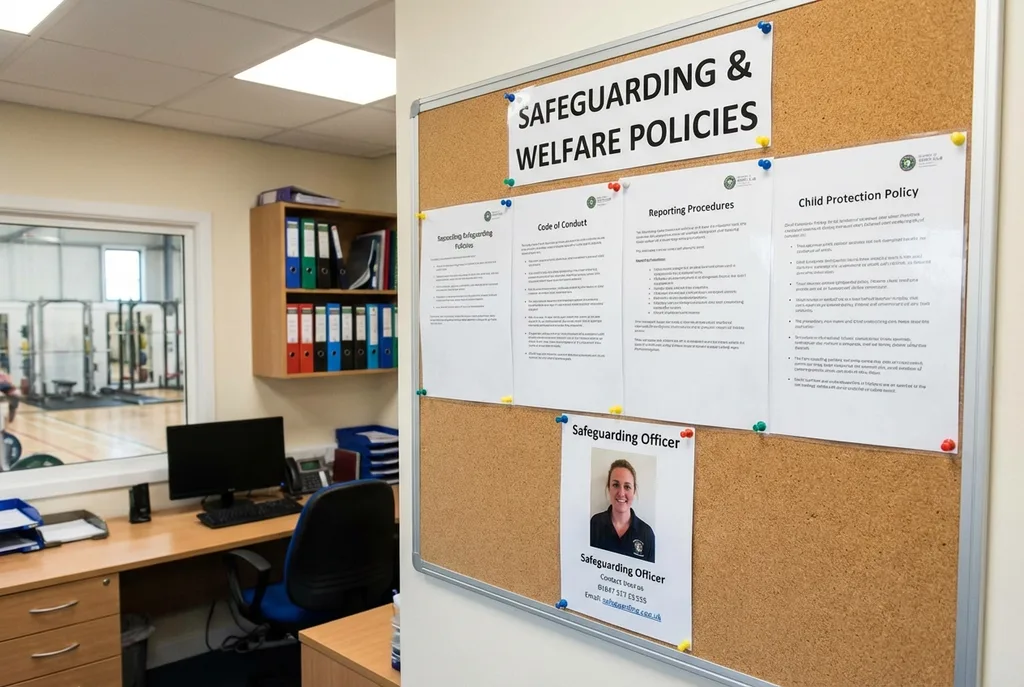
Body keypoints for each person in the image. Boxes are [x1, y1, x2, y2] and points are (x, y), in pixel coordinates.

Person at [590, 458, 655, 563]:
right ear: (609, 488)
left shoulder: (647, 534)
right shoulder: (595, 524)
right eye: (616, 485)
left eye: (627, 487)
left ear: (634, 491)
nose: (621, 493)